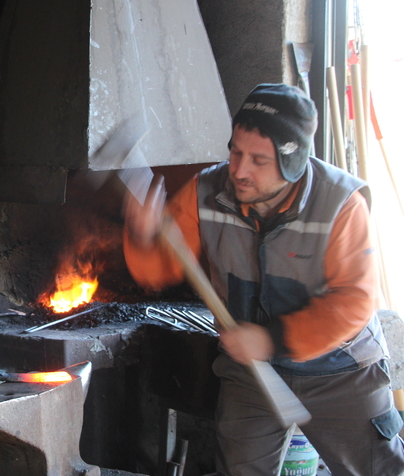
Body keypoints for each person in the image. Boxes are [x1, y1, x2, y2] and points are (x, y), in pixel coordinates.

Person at [123, 83, 404, 476]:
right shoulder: (206, 191)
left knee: (380, 470)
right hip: (251, 373)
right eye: (235, 152)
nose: (238, 171)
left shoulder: (340, 205)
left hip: (341, 371)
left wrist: (271, 339)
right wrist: (143, 234)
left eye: (258, 160)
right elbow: (156, 270)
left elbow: (353, 301)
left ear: (293, 162)